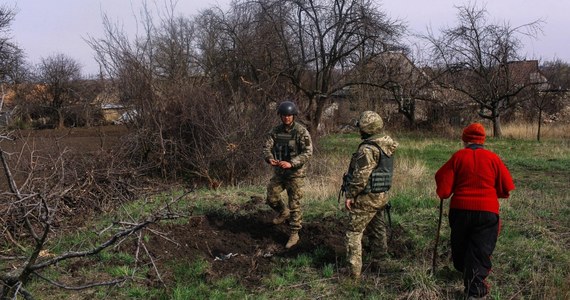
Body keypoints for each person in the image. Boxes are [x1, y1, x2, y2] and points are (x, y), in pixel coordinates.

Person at [435, 123, 515, 299]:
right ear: (483, 141)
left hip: (460, 210)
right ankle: (474, 291)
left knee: (461, 244)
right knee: (480, 249)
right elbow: (506, 187)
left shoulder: (458, 157)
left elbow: (443, 188)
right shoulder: (493, 158)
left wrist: (446, 188)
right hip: (487, 212)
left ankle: (465, 271)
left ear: (464, 140)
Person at [343, 111, 399, 280]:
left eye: (361, 127)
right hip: (381, 195)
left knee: (353, 232)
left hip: (367, 197)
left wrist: (350, 195)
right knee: (377, 227)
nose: (359, 130)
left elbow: (361, 176)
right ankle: (381, 261)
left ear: (366, 129)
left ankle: (353, 274)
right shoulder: (385, 144)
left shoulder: (368, 149)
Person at [263, 100, 313, 249]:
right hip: (279, 172)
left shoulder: (301, 131)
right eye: (284, 115)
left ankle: (294, 233)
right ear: (280, 116)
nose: (287, 118)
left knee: (295, 204)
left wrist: (292, 163)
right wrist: (269, 158)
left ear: (294, 116)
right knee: (271, 197)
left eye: (289, 115)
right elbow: (266, 147)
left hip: (295, 174)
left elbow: (308, 151)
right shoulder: (275, 131)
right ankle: (283, 212)